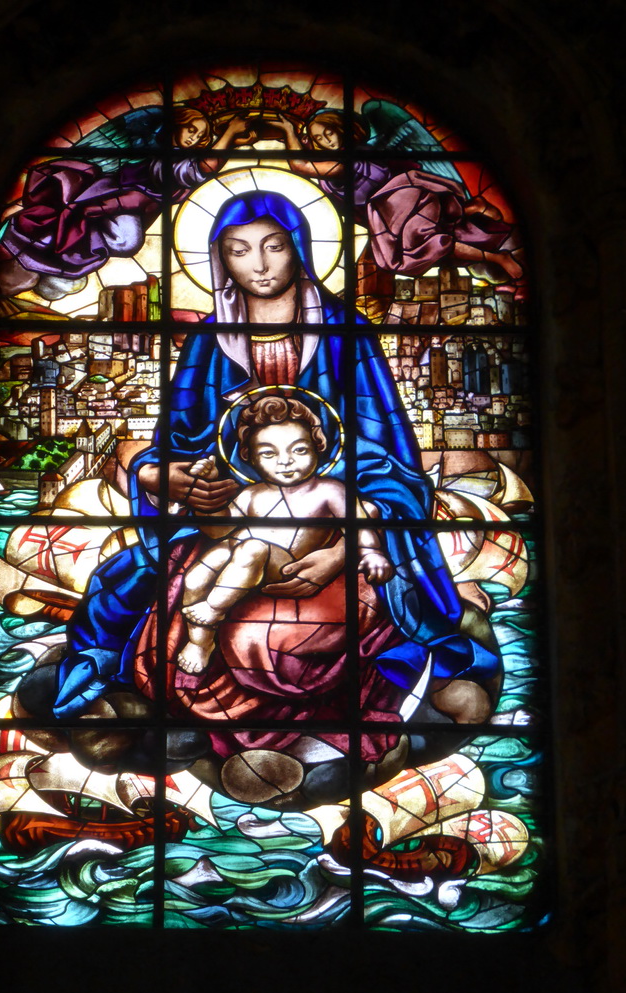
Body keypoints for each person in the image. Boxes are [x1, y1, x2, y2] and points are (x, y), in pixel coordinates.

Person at [51, 189, 501, 795]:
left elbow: (388, 451)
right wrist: (168, 478)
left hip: (336, 519)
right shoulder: (211, 341)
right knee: (129, 577)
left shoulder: (347, 333)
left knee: (373, 595)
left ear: (301, 251)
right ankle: (142, 705)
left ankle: (352, 714)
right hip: (233, 524)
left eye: (273, 246)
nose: (259, 265)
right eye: (239, 252)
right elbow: (176, 445)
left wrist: (339, 545)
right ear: (220, 263)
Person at [177, 395, 393, 674]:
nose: (286, 461)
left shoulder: (330, 491)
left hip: (281, 564)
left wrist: (372, 551)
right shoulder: (251, 493)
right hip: (239, 557)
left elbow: (359, 521)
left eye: (300, 450)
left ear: (319, 448)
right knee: (194, 577)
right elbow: (219, 530)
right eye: (269, 453)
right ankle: (200, 641)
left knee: (251, 548)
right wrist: (206, 492)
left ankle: (214, 610)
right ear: (249, 457)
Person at [0, 105, 253, 298]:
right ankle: (45, 250)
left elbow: (198, 169)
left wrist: (230, 141)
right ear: (176, 123)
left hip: (133, 204)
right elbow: (202, 168)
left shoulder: (179, 158)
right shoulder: (154, 151)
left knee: (123, 241)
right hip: (114, 194)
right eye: (191, 130)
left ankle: (59, 256)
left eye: (200, 137)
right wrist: (229, 134)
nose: (194, 139)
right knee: (125, 240)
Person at [270, 109, 523, 283]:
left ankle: (496, 256)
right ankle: (469, 208)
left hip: (400, 197)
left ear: (341, 129)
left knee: (416, 248)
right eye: (318, 139)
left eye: (328, 132)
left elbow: (299, 166)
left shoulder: (347, 161)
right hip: (388, 212)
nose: (326, 140)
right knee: (418, 247)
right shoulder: (336, 165)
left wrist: (288, 131)